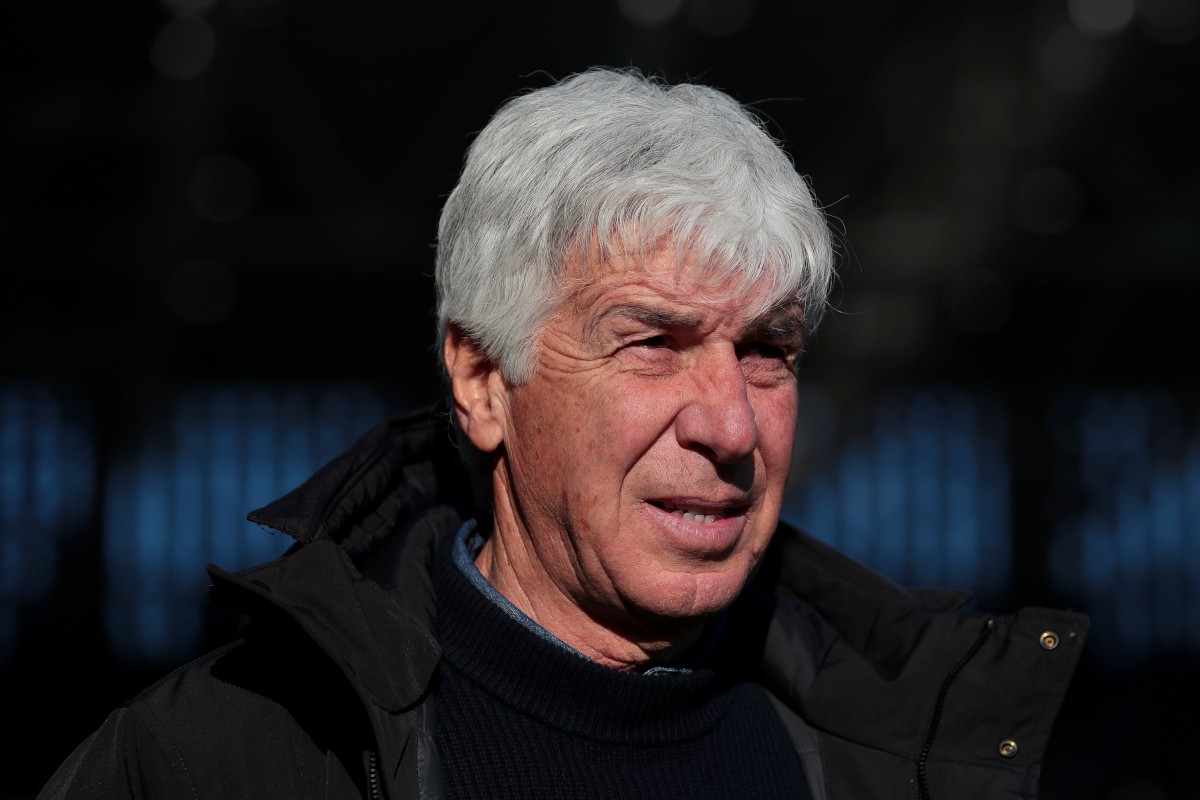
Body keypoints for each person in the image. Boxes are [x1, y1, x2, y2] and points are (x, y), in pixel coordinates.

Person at [39, 68, 1086, 800]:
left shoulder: (918, 757)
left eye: (767, 349)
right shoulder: (225, 758)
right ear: (483, 380)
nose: (730, 423)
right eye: (653, 343)